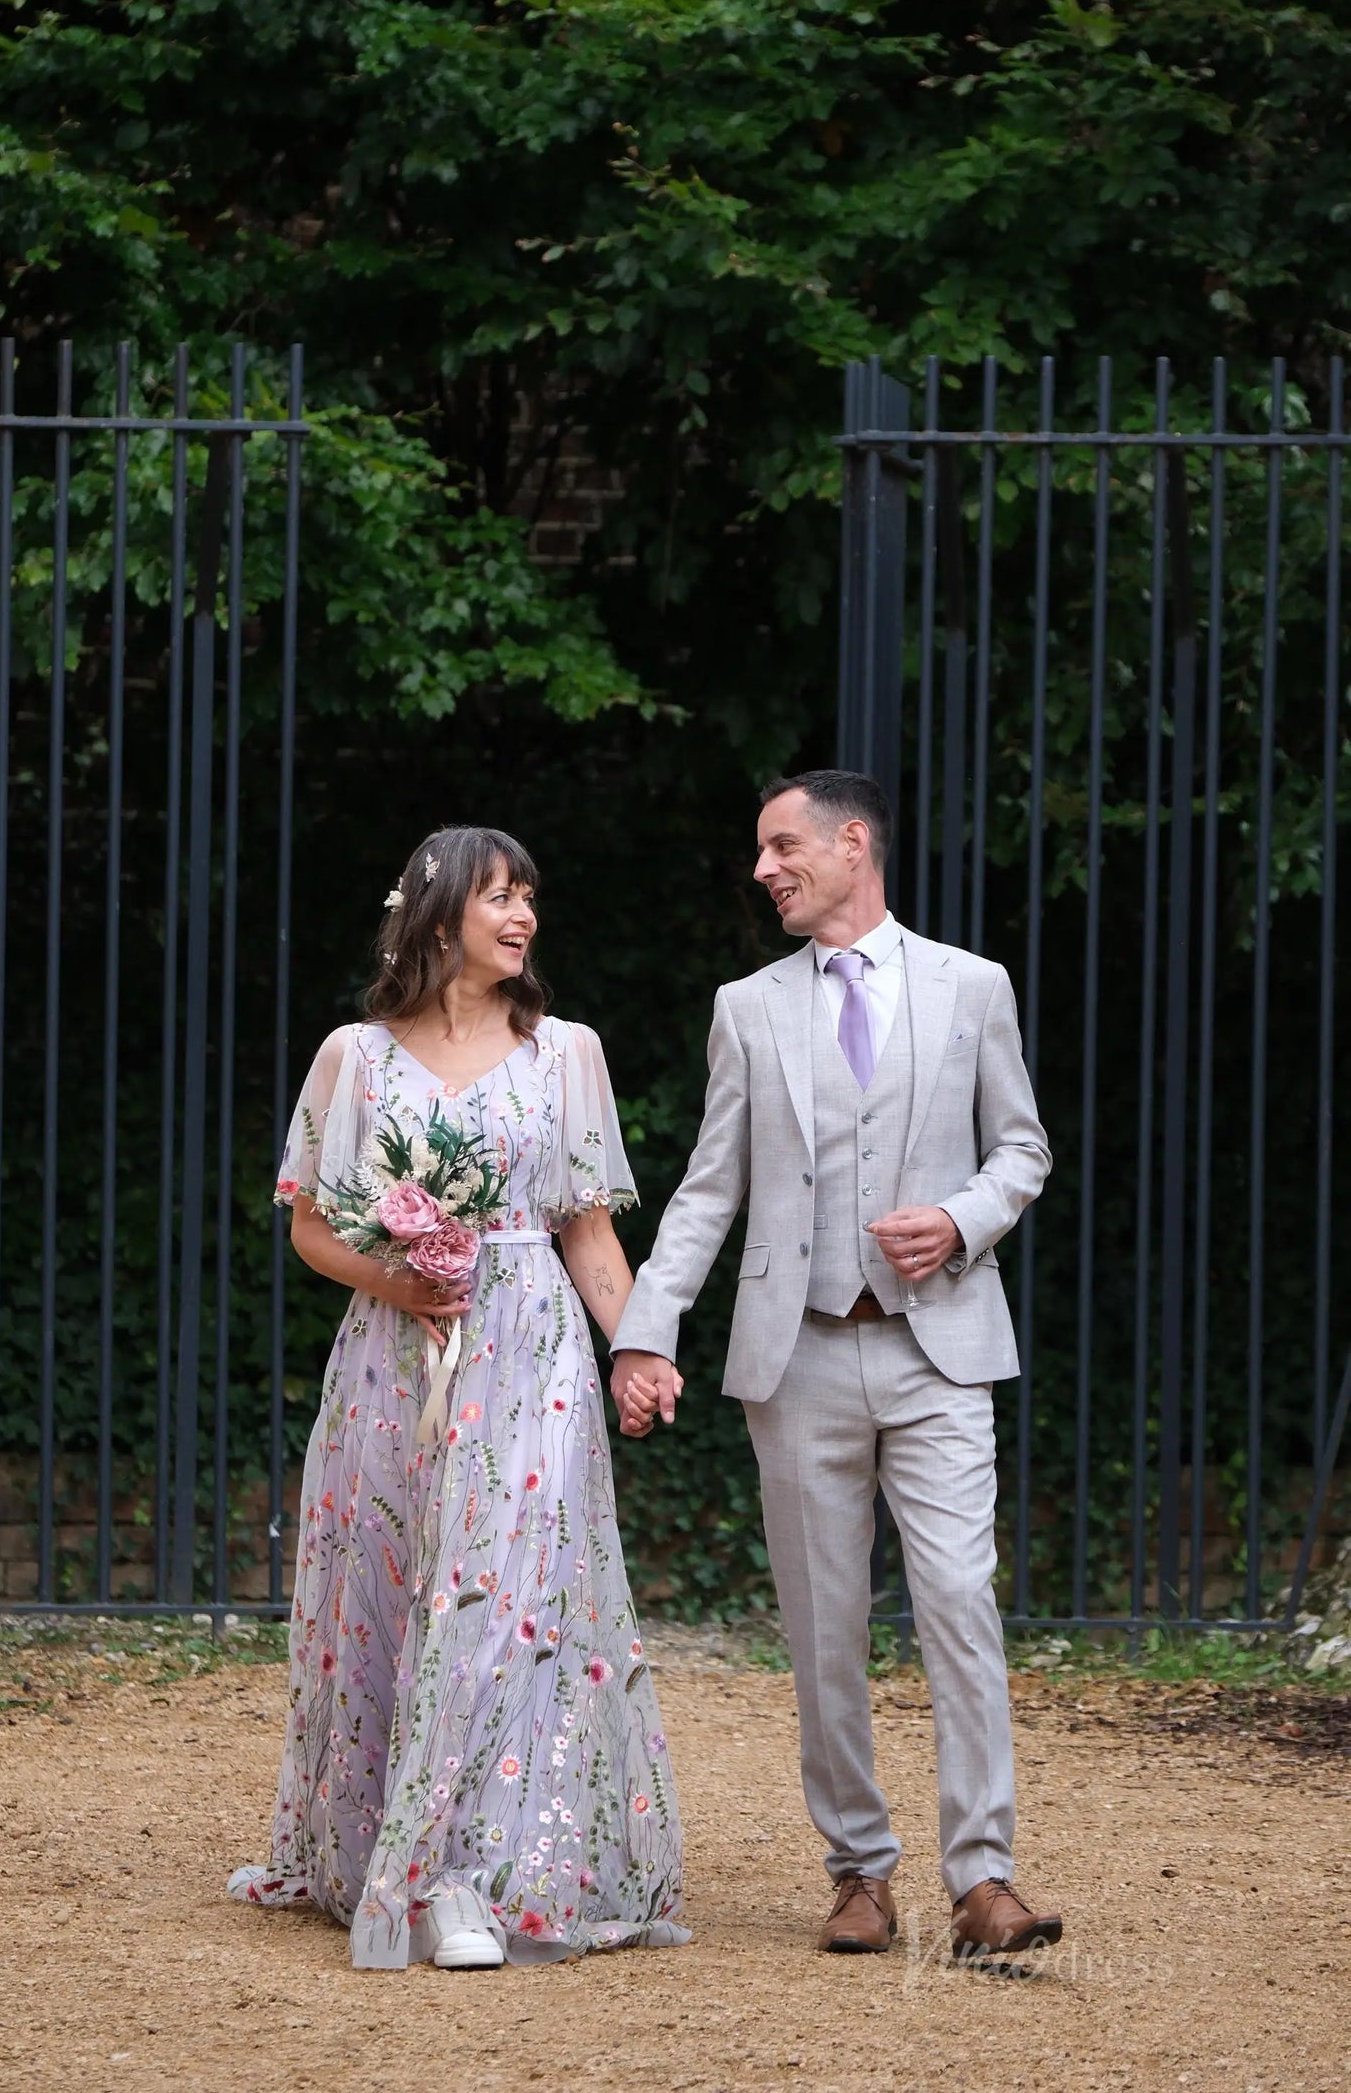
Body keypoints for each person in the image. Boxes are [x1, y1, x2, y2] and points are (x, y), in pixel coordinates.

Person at [611, 770, 1061, 1962]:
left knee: (960, 1607)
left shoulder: (972, 988)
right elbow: (710, 1191)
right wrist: (645, 1327)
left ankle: (984, 1882)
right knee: (823, 1631)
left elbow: (1020, 1149)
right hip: (794, 1357)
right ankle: (858, 1874)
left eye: (779, 846)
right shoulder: (746, 1007)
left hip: (939, 1354)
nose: (762, 870)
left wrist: (962, 1219)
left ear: (850, 843)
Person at [229, 825, 688, 1972]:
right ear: (436, 915)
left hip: (530, 1350)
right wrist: (401, 1273)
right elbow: (307, 1224)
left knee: (509, 1599)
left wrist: (638, 1349)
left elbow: (586, 1229)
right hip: (394, 1361)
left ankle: (473, 1875)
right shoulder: (353, 1057)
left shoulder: (566, 1053)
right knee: (387, 1592)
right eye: (498, 895)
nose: (523, 915)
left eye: (529, 894)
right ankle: (387, 1847)